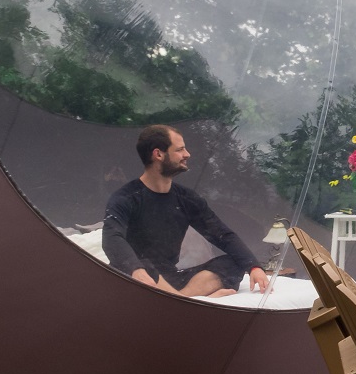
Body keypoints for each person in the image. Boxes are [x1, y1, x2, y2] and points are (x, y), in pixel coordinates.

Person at [103, 125, 272, 298]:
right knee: (139, 264)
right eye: (180, 149)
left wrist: (254, 266)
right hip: (135, 278)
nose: (187, 154)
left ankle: (181, 298)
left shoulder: (186, 198)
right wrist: (135, 269)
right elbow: (112, 238)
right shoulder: (126, 197)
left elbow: (222, 234)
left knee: (234, 263)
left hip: (170, 278)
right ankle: (191, 300)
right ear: (158, 154)